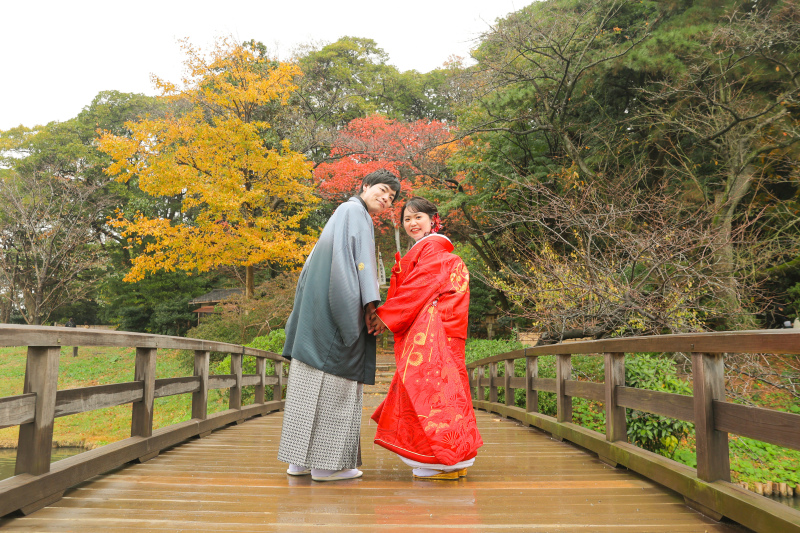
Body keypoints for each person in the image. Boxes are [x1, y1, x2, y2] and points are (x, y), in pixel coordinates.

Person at [277, 169, 401, 482]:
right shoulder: (354, 212)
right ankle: (327, 466)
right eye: (383, 190)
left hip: (315, 315)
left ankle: (298, 462)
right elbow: (358, 265)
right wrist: (370, 307)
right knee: (337, 385)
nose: (386, 198)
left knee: (306, 387)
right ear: (365, 186)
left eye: (391, 197)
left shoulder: (342, 212)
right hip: (336, 314)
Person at [371, 197, 483, 480]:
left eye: (418, 217)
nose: (412, 224)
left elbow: (417, 290)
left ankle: (439, 462)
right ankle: (455, 461)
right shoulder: (438, 252)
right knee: (448, 396)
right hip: (447, 333)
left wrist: (382, 316)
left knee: (428, 396)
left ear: (434, 219)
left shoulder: (432, 251)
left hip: (432, 335)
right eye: (407, 220)